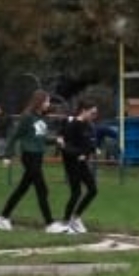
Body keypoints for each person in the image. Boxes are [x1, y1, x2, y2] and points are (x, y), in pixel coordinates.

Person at [0, 90, 57, 229]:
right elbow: (15, 135)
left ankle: (4, 216)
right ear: (39, 101)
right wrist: (7, 155)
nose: (48, 104)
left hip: (38, 156)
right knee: (42, 189)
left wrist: (56, 140)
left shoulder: (42, 118)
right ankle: (50, 223)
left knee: (22, 188)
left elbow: (41, 138)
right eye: (46, 101)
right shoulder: (27, 117)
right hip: (29, 156)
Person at [59, 99, 99, 233]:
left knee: (93, 190)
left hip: (82, 163)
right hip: (72, 163)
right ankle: (65, 222)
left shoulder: (89, 126)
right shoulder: (73, 125)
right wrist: (78, 154)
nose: (94, 116)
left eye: (95, 113)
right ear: (83, 111)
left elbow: (89, 143)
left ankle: (76, 217)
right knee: (76, 193)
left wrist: (92, 149)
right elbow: (65, 147)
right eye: (92, 113)